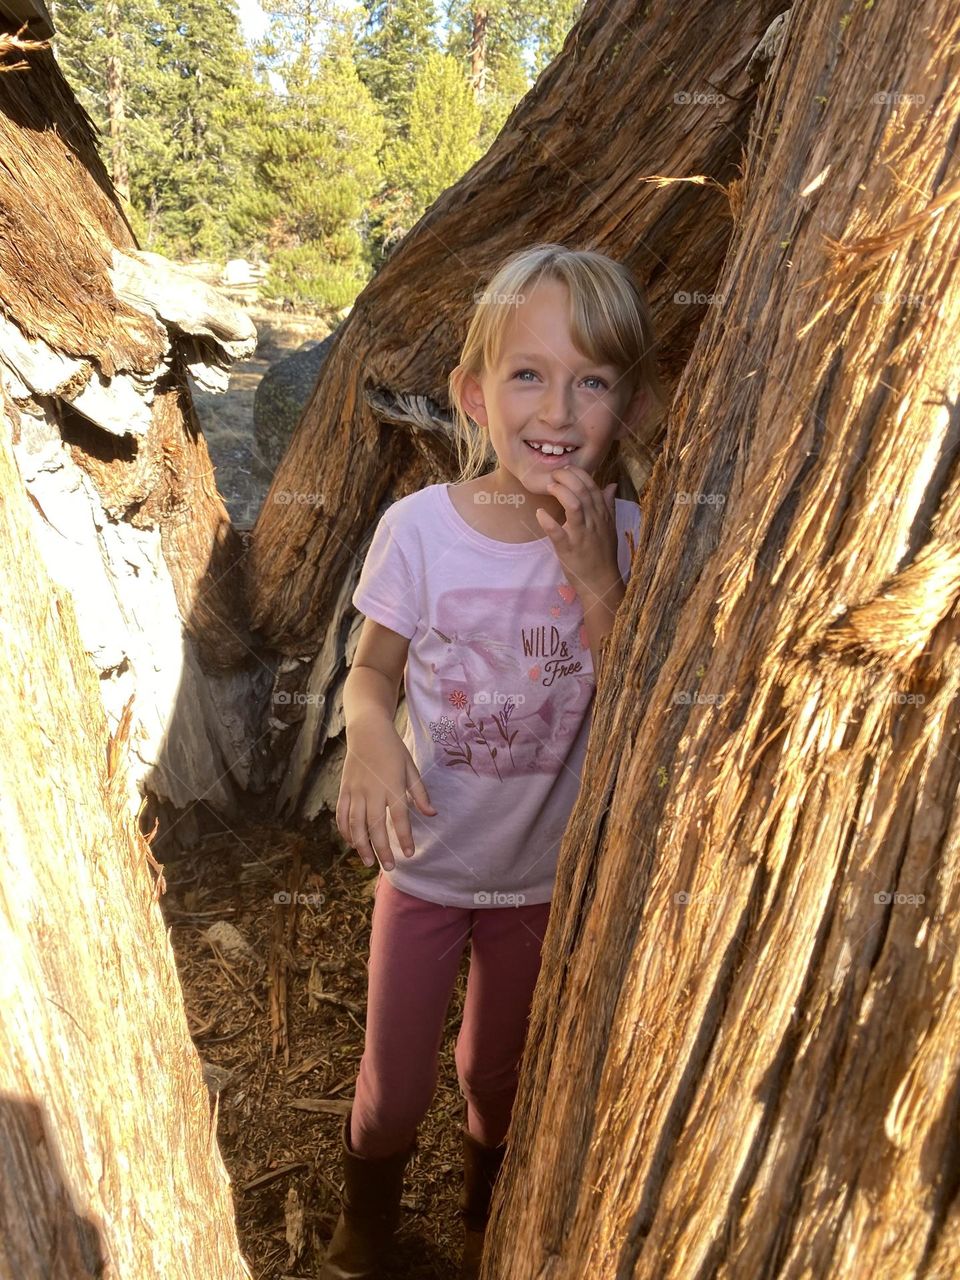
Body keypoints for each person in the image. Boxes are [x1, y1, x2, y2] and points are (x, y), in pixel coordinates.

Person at [320, 242, 665, 1280]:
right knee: (390, 1082)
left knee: (496, 1073)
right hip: (424, 867)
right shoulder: (420, 531)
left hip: (540, 882)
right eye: (528, 372)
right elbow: (369, 673)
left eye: (592, 379)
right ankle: (368, 1221)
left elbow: (639, 701)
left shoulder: (634, 536)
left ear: (631, 408)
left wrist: (597, 575)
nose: (558, 409)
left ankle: (483, 1224)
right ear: (474, 393)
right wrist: (370, 737)